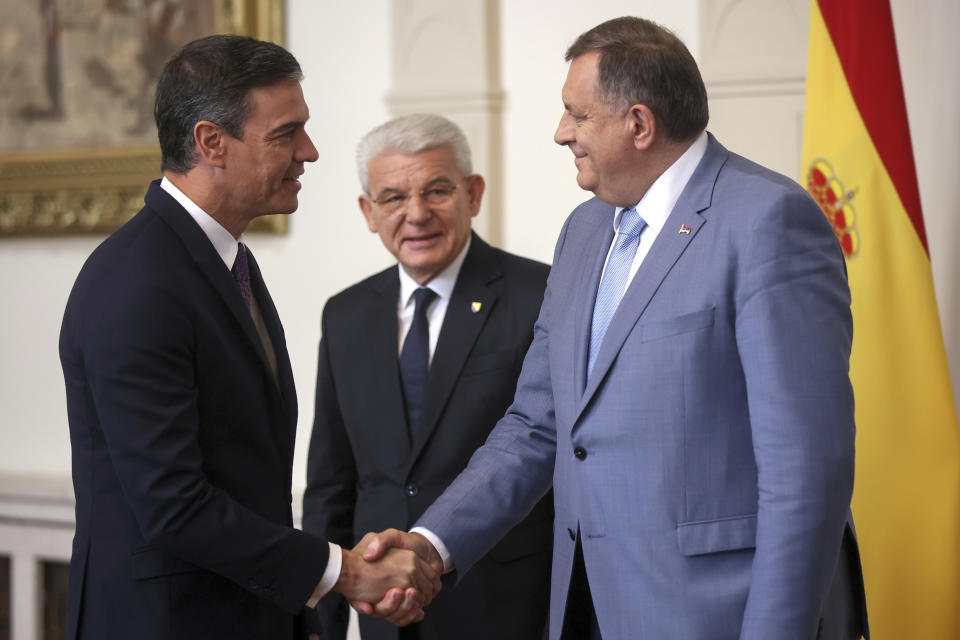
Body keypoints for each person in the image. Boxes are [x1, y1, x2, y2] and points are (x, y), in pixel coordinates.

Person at [360, 16, 870, 640]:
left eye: (576, 114)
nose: (560, 133)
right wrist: (432, 546)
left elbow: (806, 468)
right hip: (584, 605)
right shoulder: (584, 231)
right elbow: (537, 425)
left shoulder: (769, 222)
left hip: (716, 615)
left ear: (638, 123)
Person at [59, 35, 438, 640]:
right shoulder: (134, 282)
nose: (309, 152)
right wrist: (341, 572)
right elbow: (173, 504)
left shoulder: (227, 263)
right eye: (286, 133)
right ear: (212, 142)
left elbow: (246, 477)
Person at [302, 113, 553, 640]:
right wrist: (320, 624)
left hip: (505, 605)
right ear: (368, 212)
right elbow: (331, 482)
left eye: (437, 190)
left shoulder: (541, 296)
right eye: (393, 197)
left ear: (473, 193)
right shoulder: (345, 315)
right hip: (383, 613)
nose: (416, 214)